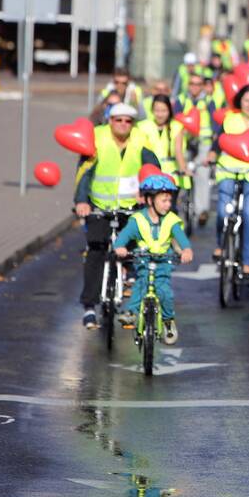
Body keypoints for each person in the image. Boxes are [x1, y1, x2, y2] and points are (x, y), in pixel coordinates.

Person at [74, 103, 161, 330]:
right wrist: (82, 202)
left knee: (135, 249)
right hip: (99, 206)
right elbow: (84, 172)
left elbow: (152, 168)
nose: (123, 124)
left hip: (130, 206)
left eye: (128, 121)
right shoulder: (97, 138)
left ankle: (132, 295)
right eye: (118, 120)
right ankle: (89, 307)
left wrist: (148, 194)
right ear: (109, 121)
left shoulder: (140, 139)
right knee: (96, 250)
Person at [112, 174, 194, 343]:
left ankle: (168, 321)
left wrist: (186, 250)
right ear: (150, 201)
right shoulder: (138, 220)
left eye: (169, 201)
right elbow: (124, 236)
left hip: (164, 261)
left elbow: (181, 237)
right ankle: (133, 313)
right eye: (164, 201)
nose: (168, 205)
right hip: (144, 260)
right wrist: (120, 247)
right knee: (141, 285)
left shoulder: (171, 220)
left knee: (164, 291)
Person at [208, 85, 249, 276]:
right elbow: (218, 141)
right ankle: (221, 244)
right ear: (240, 101)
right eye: (246, 100)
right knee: (222, 212)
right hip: (228, 171)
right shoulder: (230, 119)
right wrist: (212, 153)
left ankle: (248, 262)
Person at [176, 71, 216, 226]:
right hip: (184, 142)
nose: (195, 87)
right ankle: (178, 207)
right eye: (192, 84)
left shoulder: (208, 102)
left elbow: (215, 126)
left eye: (198, 84)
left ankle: (202, 211)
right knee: (181, 170)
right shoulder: (180, 100)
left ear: (202, 86)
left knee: (202, 174)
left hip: (203, 143)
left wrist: (212, 149)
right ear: (188, 85)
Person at [137, 94, 186, 192]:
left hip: (172, 176)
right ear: (152, 110)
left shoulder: (177, 127)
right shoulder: (142, 126)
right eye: (157, 110)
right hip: (150, 175)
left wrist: (183, 168)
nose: (160, 114)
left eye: (164, 111)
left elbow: (178, 150)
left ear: (169, 111)